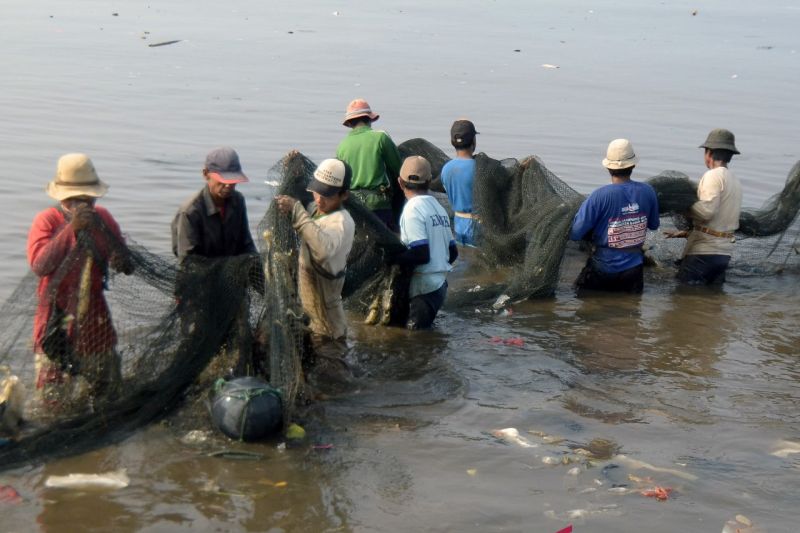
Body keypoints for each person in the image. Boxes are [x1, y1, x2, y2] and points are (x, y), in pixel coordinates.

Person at [27, 153, 134, 410]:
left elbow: (125, 262)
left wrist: (122, 259)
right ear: (63, 197)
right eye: (76, 199)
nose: (84, 204)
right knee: (53, 403)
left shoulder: (104, 219)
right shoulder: (47, 221)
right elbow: (40, 265)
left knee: (108, 394)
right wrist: (70, 229)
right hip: (56, 323)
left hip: (95, 321)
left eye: (88, 198)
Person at [275, 159, 356, 341]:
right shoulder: (315, 209)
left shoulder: (343, 222)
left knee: (331, 366)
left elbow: (323, 250)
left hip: (329, 327)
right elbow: (303, 200)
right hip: (311, 317)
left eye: (327, 195)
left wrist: (296, 210)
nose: (319, 199)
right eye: (317, 191)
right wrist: (293, 170)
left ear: (344, 195)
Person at [569, 139, 660, 294]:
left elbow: (576, 233)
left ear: (608, 167)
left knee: (589, 311)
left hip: (603, 268)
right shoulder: (648, 192)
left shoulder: (599, 196)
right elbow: (653, 225)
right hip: (633, 271)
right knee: (631, 313)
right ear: (633, 165)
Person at [665, 129, 743, 285]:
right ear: (730, 156)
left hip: (704, 254)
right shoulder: (735, 181)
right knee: (712, 302)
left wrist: (683, 206)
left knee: (684, 298)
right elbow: (720, 221)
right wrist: (684, 233)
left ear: (709, 153)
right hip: (724, 254)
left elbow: (706, 212)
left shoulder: (712, 176)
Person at [395, 156, 458, 329]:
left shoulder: (411, 209)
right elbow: (453, 252)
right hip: (439, 287)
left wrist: (392, 259)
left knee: (414, 341)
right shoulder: (438, 208)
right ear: (429, 181)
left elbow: (421, 253)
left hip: (423, 291)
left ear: (400, 182)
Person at [171, 146, 257, 261]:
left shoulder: (238, 201)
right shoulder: (190, 212)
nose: (228, 185)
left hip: (231, 271)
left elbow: (246, 244)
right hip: (201, 275)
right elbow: (188, 261)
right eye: (223, 180)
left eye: (233, 181)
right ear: (206, 174)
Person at [336, 99, 402, 229]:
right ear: (369, 119)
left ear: (349, 123)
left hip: (354, 207)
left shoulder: (341, 146)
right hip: (378, 205)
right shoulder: (380, 137)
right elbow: (398, 170)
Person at [440, 119, 480, 247]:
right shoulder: (481, 168)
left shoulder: (446, 169)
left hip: (458, 224)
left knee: (463, 257)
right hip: (478, 225)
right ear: (473, 141)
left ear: (453, 142)